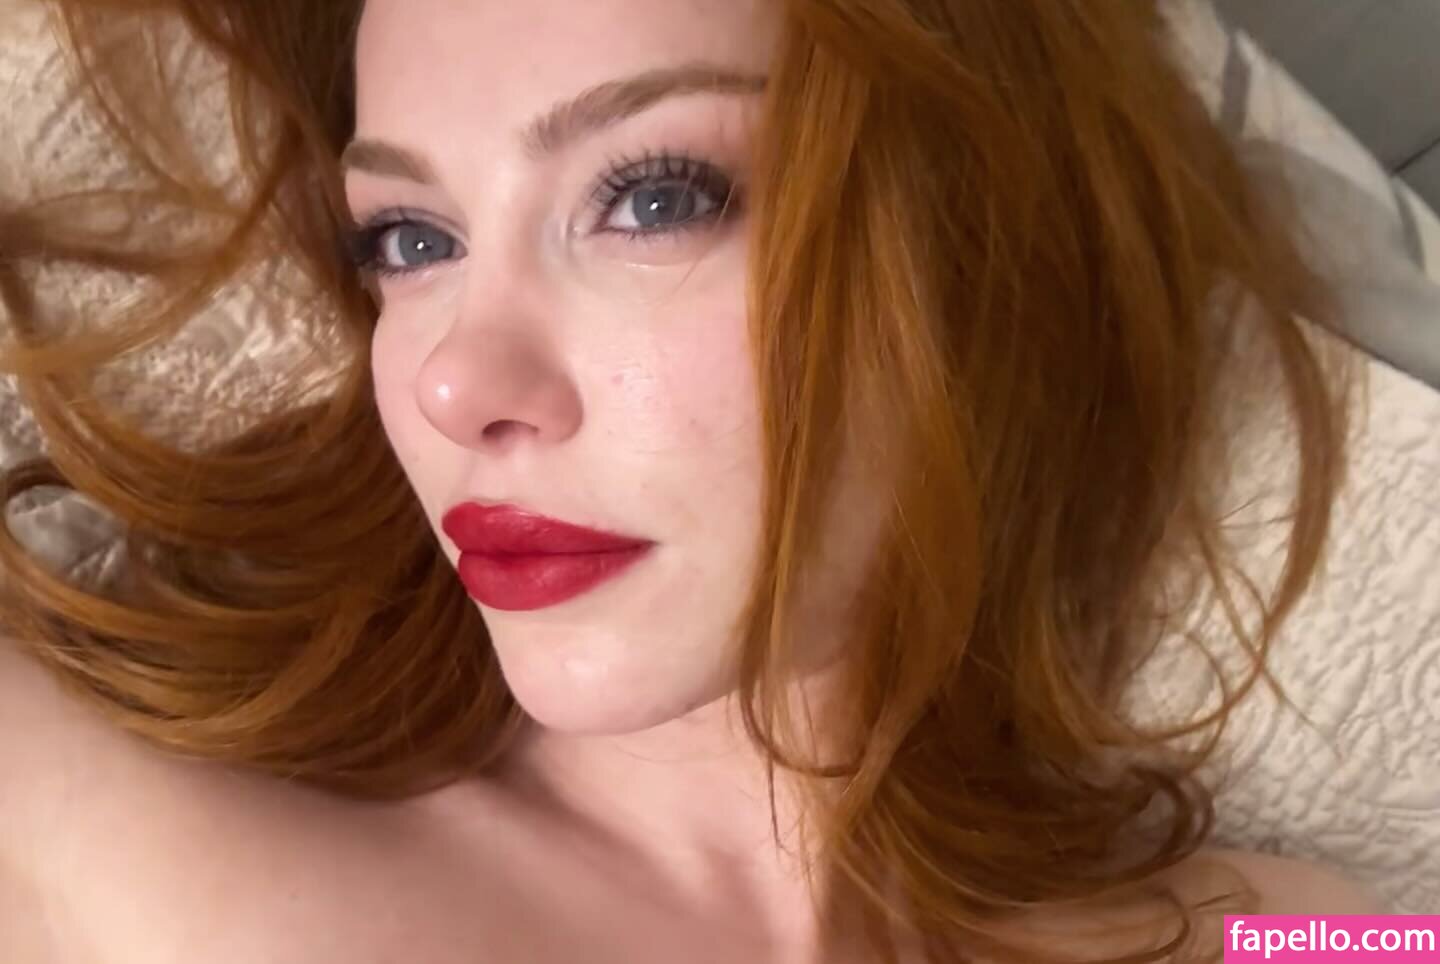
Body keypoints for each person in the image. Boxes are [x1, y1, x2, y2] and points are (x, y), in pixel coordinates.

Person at [0, 0, 1387, 960]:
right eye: (411, 241)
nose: (452, 384)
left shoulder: (1286, 932)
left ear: (985, 255)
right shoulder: (72, 819)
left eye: (653, 198)